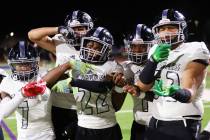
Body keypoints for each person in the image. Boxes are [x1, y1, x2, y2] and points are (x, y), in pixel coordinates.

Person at [124, 9, 210, 140]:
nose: (166, 32)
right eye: (162, 29)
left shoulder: (195, 49)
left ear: (182, 29)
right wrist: (153, 60)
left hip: (182, 121)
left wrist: (174, 91)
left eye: (171, 27)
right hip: (156, 119)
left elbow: (189, 93)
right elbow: (142, 86)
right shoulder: (155, 49)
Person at [38, 26, 126, 140]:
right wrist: (67, 65)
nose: (91, 49)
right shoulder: (76, 65)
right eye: (89, 45)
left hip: (108, 126)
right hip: (84, 126)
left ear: (106, 50)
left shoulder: (113, 67)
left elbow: (115, 103)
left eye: (97, 47)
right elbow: (43, 83)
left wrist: (74, 82)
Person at [28, 10, 94, 140]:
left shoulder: (96, 46)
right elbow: (32, 35)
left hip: (87, 106)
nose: (77, 32)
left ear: (89, 28)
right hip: (61, 105)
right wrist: (59, 29)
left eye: (81, 28)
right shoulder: (60, 42)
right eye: (73, 29)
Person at [0, 41, 55, 140]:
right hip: (23, 137)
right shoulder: (7, 82)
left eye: (27, 63)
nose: (24, 67)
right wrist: (22, 94)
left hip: (47, 135)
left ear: (36, 63)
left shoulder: (44, 76)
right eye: (19, 64)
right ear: (12, 65)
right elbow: (3, 113)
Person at [123, 24, 154, 140]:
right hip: (138, 123)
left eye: (142, 46)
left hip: (158, 122)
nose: (137, 51)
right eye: (134, 47)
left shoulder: (160, 65)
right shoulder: (126, 67)